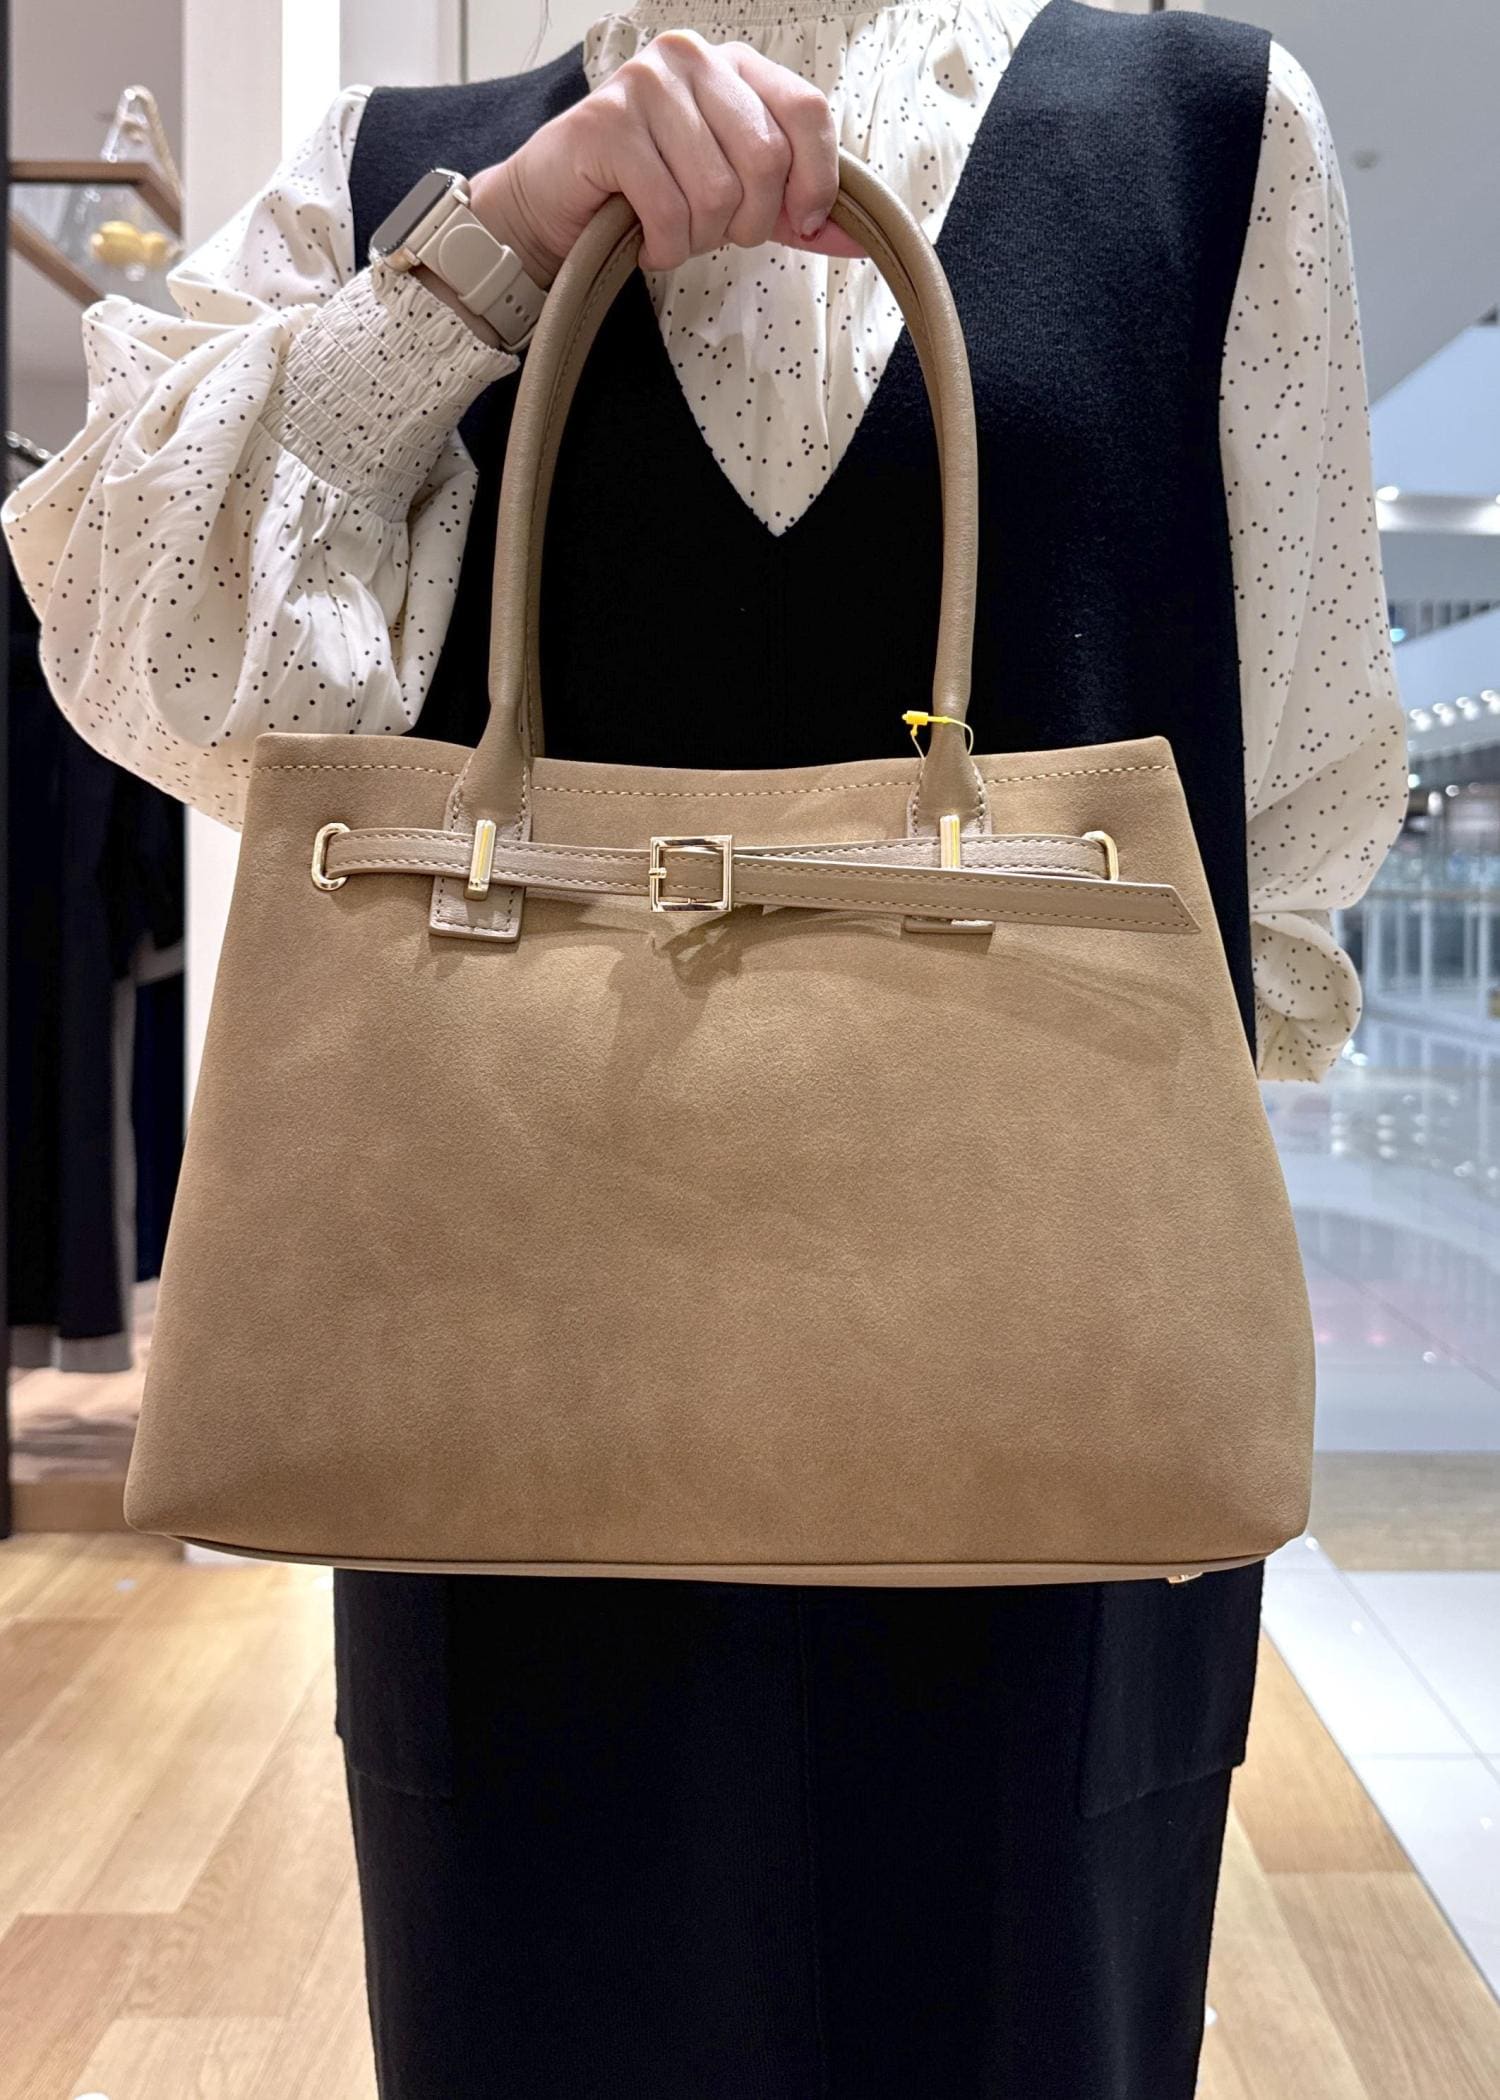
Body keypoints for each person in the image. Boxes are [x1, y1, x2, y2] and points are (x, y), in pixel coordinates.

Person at [3, 3, 1407, 2093]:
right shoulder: (398, 162)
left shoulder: (1205, 130)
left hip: (1050, 1418)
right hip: (501, 1428)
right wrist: (485, 253)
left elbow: (1284, 811)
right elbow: (152, 657)